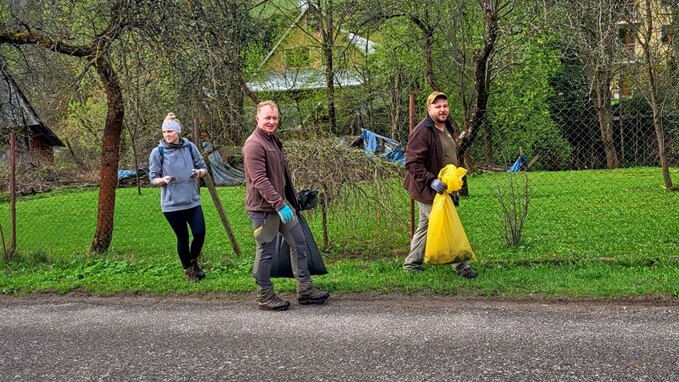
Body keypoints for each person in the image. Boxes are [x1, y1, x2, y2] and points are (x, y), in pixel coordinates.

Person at [242, 100, 330, 311]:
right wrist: (279, 205)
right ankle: (265, 295)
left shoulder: (272, 140)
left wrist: (289, 201)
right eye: (267, 118)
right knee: (266, 251)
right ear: (257, 119)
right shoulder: (254, 144)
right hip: (264, 210)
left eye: (275, 118)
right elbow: (260, 180)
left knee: (299, 242)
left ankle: (305, 289)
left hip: (283, 205)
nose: (271, 121)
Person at [402, 91, 478, 278]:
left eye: (445, 106)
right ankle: (462, 267)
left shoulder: (447, 127)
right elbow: (412, 163)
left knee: (425, 226)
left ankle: (411, 265)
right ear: (429, 109)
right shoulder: (422, 132)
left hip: (444, 187)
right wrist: (431, 180)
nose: (442, 110)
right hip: (428, 188)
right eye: (437, 107)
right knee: (448, 223)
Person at [148, 112, 209, 282]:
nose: (167, 135)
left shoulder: (190, 147)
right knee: (182, 238)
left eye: (170, 131)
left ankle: (194, 262)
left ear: (178, 132)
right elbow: (153, 178)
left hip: (192, 201)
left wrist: (198, 173)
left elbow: (203, 168)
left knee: (199, 233)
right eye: (164, 132)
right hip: (172, 204)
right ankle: (188, 270)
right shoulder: (157, 152)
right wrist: (163, 180)